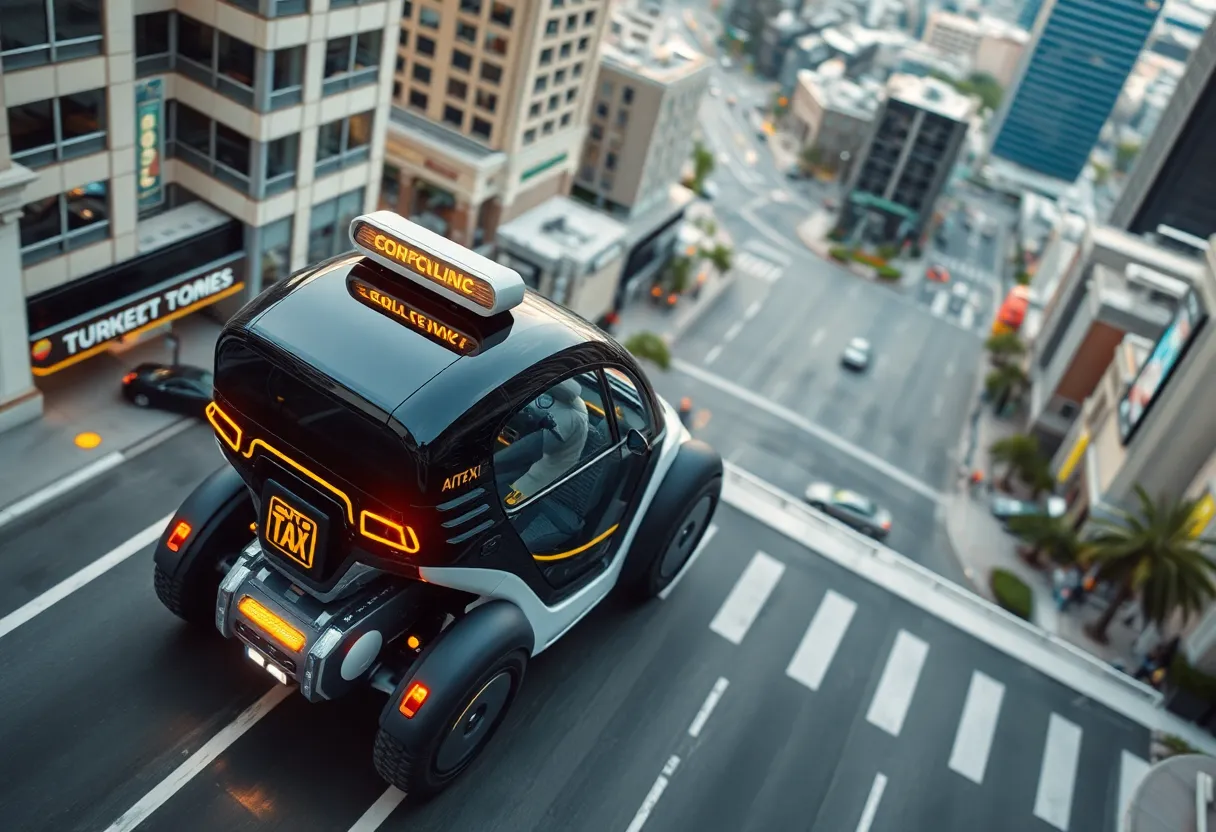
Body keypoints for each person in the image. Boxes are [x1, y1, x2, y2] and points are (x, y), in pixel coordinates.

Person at [501, 378, 590, 505]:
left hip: (536, 480)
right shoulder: (561, 405)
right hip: (529, 469)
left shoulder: (572, 417)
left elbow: (527, 450)